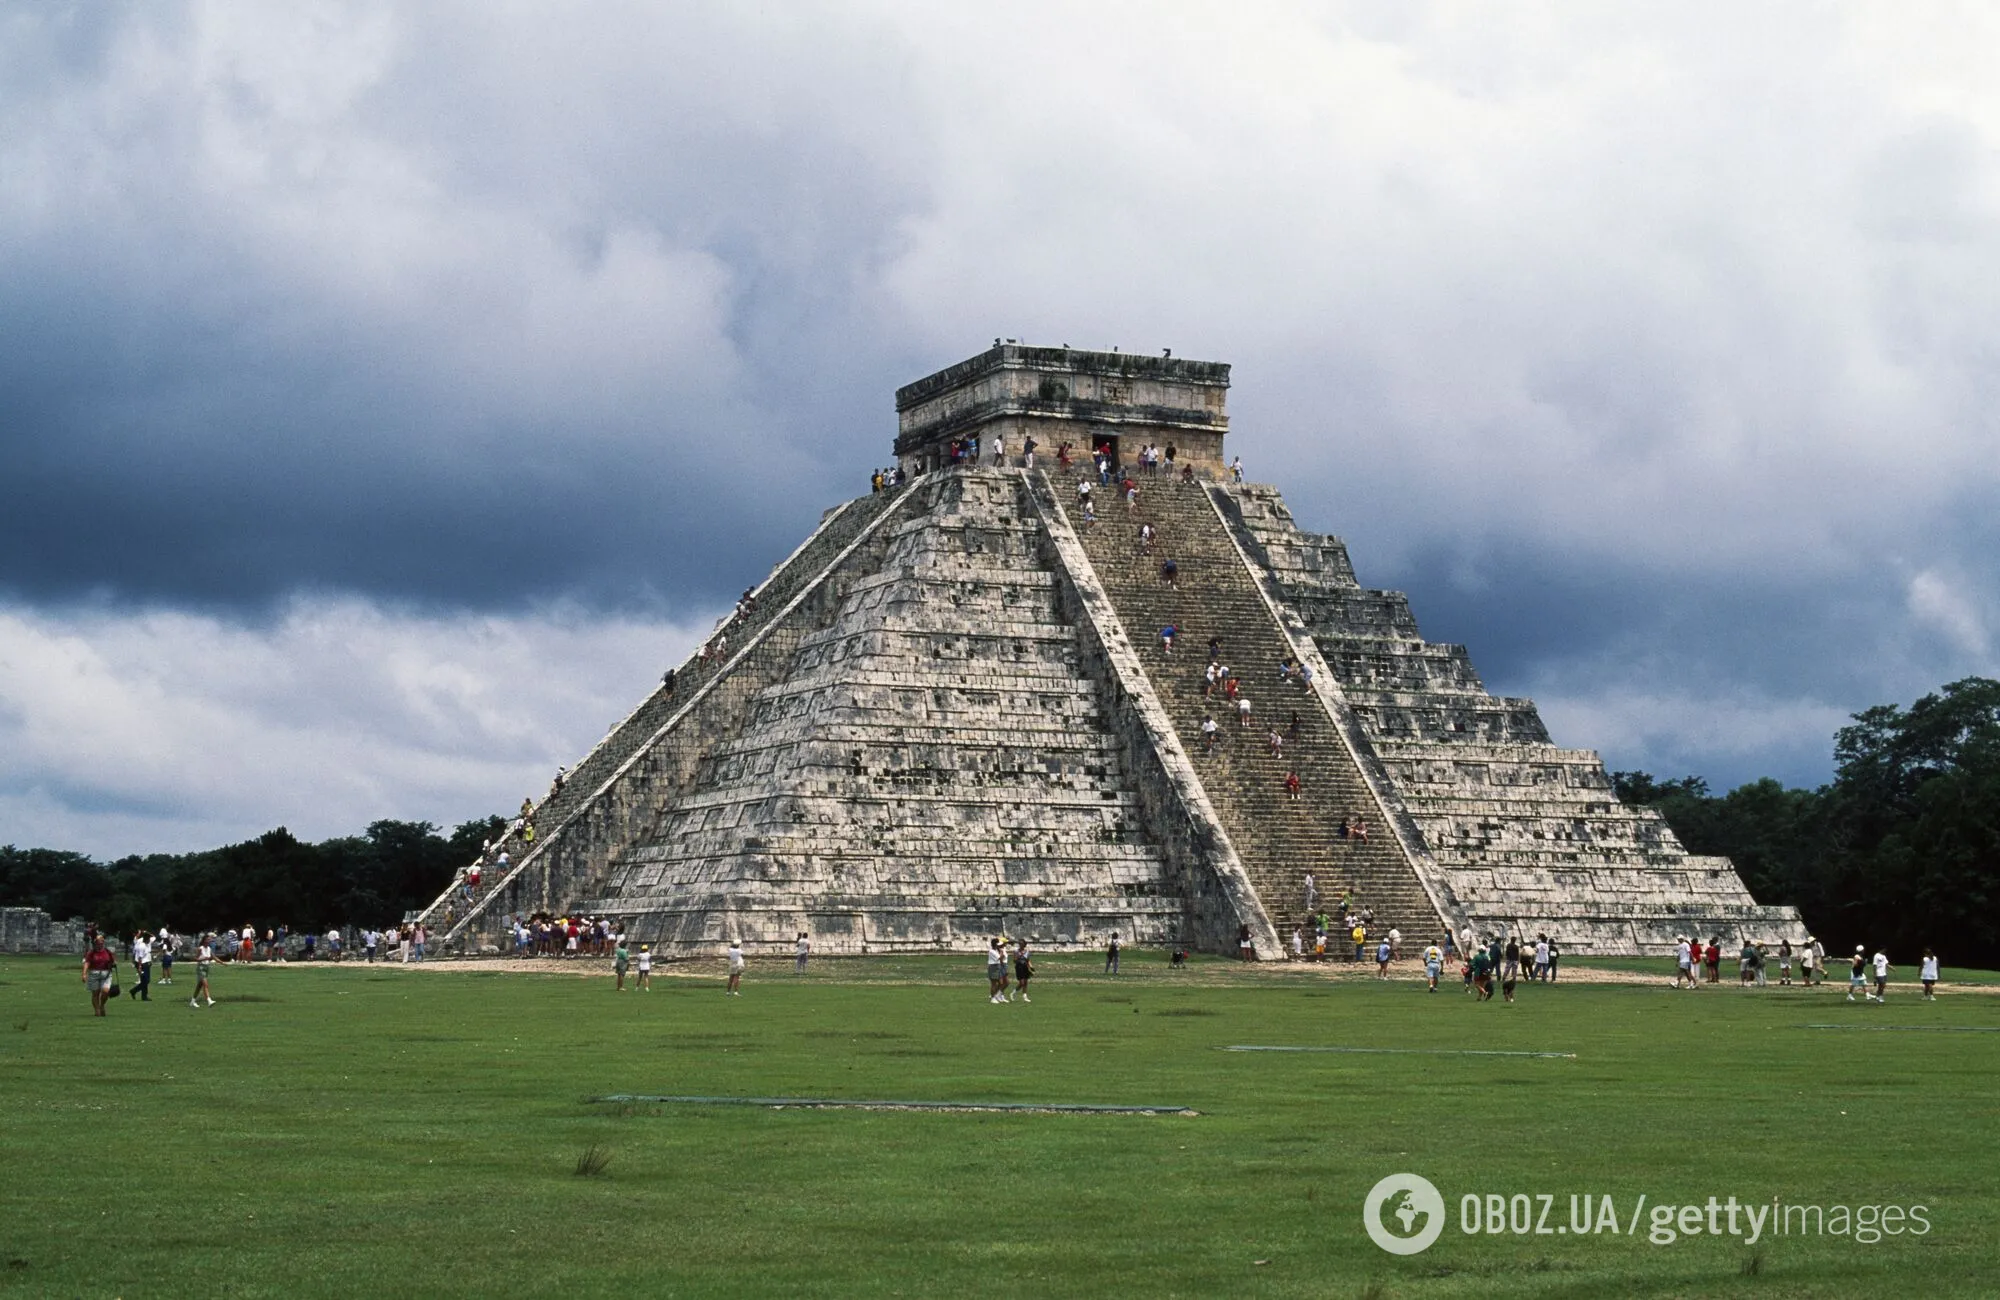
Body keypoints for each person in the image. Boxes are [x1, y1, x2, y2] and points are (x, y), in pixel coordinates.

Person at [83, 934, 119, 1016]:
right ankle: (97, 1009)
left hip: (106, 973)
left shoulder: (107, 951)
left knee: (105, 991)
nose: (100, 945)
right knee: (95, 993)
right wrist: (84, 974)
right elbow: (87, 963)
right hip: (94, 973)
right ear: (95, 943)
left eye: (101, 943)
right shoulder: (91, 953)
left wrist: (114, 963)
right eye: (98, 943)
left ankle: (102, 1005)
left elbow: (113, 960)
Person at [190, 934, 216, 1007]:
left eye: (210, 940)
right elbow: (196, 958)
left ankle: (192, 1001)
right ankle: (209, 1000)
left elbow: (213, 957)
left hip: (206, 967)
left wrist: (222, 963)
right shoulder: (200, 948)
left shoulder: (209, 948)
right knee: (205, 984)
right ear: (204, 940)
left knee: (199, 986)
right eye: (208, 939)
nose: (209, 941)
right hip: (201, 967)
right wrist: (204, 958)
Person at [130, 931, 153, 1003]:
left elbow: (152, 936)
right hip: (141, 964)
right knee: (146, 980)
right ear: (146, 939)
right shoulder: (142, 946)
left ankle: (143, 995)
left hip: (145, 963)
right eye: (149, 939)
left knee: (145, 981)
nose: (150, 940)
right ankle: (136, 992)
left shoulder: (145, 944)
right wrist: (139, 967)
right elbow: (140, 958)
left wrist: (147, 932)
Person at [988, 938, 1009, 1002]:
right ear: (995, 945)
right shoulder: (992, 951)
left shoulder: (997, 950)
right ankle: (992, 998)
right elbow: (1000, 958)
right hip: (993, 967)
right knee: (994, 983)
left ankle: (996, 995)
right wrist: (1002, 952)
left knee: (1000, 983)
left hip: (998, 966)